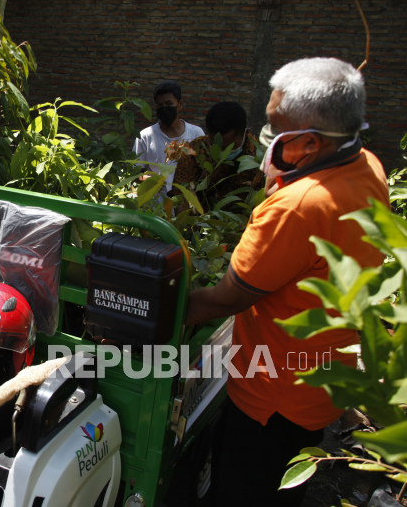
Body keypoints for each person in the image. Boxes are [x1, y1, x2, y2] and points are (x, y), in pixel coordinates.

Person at [186, 57, 388, 507]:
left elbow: (225, 298)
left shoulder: (298, 206)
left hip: (270, 396)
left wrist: (158, 313)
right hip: (319, 384)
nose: (267, 136)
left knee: (240, 493)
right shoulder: (368, 167)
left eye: (276, 127)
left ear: (312, 142)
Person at [170, 101, 264, 209]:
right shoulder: (194, 151)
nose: (222, 153)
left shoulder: (260, 160)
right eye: (215, 146)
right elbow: (180, 198)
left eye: (228, 147)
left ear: (245, 133)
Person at [132, 81, 204, 191]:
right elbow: (135, 176)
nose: (164, 108)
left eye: (169, 103)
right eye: (159, 105)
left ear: (180, 104)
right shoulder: (145, 136)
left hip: (187, 204)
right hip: (157, 205)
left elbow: (203, 171)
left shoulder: (196, 134)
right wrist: (153, 180)